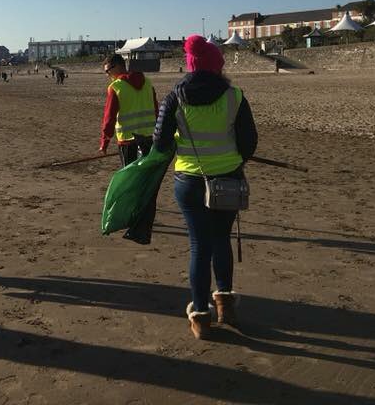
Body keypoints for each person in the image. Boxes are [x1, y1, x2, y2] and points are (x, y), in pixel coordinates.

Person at [151, 35, 257, 340]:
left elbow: (160, 142)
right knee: (221, 240)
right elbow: (249, 143)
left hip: (189, 181)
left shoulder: (175, 96)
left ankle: (200, 314)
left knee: (199, 245)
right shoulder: (235, 96)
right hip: (228, 179)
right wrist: (232, 158)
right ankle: (225, 303)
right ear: (216, 67)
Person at [100, 54, 159, 243]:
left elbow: (109, 119)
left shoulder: (116, 87)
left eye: (108, 70)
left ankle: (136, 220)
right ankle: (144, 217)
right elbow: (157, 111)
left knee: (131, 181)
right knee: (146, 180)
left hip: (127, 141)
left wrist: (104, 142)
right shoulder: (147, 82)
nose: (107, 74)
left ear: (117, 66)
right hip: (148, 139)